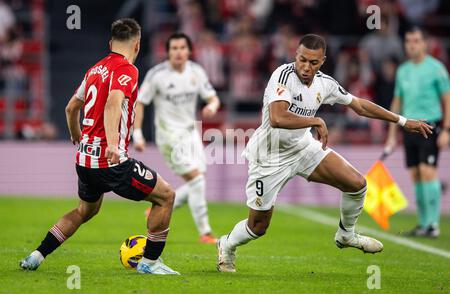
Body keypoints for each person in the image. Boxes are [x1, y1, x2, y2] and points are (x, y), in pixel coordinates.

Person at [216, 34, 433, 273]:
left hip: (302, 148)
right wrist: (316, 120)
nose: (306, 67)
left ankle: (346, 235)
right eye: (302, 59)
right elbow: (278, 118)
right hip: (269, 157)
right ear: (295, 55)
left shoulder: (325, 83)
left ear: (323, 61)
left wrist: (402, 121)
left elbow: (359, 105)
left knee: (357, 183)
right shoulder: (282, 75)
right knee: (258, 227)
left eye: (313, 62)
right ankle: (227, 244)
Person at [20, 18, 179, 275]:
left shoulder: (95, 70)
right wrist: (114, 146)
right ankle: (149, 263)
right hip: (111, 161)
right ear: (137, 45)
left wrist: (77, 134)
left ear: (110, 43)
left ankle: (37, 255)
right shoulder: (128, 70)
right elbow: (113, 103)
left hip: (84, 161)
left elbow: (71, 107)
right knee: (166, 196)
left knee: (85, 210)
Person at [133, 33, 221, 244]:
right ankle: (205, 232)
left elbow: (213, 97)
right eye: (174, 48)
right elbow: (140, 103)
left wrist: (212, 106)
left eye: (182, 48)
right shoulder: (157, 75)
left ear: (189, 51)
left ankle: (157, 205)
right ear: (168, 52)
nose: (178, 52)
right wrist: (137, 134)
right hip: (169, 136)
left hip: (191, 134)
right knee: (197, 179)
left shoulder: (196, 72)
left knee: (197, 182)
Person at [385, 27, 450, 238]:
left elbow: (447, 100)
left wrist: (447, 129)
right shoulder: (403, 70)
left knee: (427, 171)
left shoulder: (436, 68)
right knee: (415, 175)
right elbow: (397, 101)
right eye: (408, 41)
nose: (411, 44)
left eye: (415, 41)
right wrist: (392, 135)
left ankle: (433, 224)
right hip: (409, 127)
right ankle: (423, 223)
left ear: (425, 43)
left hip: (430, 126)